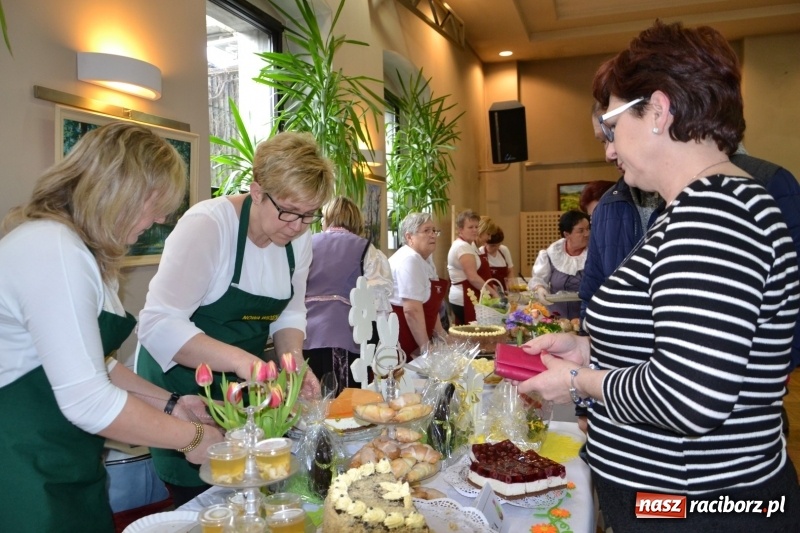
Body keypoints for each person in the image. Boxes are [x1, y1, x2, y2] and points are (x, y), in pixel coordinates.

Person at [519, 21, 800, 531]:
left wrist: (580, 383)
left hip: (695, 504)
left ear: (658, 111)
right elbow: (682, 344)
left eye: (612, 126)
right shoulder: (707, 206)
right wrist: (588, 348)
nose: (607, 150)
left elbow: (688, 396)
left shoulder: (711, 216)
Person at [0, 123, 224, 532]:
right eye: (156, 204)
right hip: (19, 466)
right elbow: (88, 401)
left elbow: (97, 366)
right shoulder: (52, 249)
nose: (159, 219)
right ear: (120, 189)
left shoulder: (78, 252)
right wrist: (191, 438)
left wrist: (172, 404)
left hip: (66, 460)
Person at [136, 131, 334, 504]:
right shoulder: (209, 226)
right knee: (204, 500)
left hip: (244, 390)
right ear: (257, 191)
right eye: (289, 212)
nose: (297, 226)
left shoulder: (299, 237)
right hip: (181, 385)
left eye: (309, 215)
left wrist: (293, 364)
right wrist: (247, 362)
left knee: (254, 495)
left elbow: (290, 309)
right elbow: (158, 324)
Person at [578, 99, 662, 324]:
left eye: (613, 134)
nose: (609, 153)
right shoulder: (607, 207)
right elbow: (591, 294)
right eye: (603, 141)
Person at [302, 195, 393, 388]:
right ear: (357, 221)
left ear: (325, 218)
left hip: (303, 334)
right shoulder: (366, 249)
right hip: (346, 334)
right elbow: (377, 301)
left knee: (310, 396)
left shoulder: (306, 244)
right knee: (343, 400)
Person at [389, 213, 449, 357]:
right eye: (426, 230)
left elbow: (430, 306)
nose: (433, 235)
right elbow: (412, 310)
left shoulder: (425, 259)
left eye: (434, 230)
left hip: (418, 333)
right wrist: (425, 348)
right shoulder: (409, 260)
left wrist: (443, 338)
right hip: (403, 336)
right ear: (409, 237)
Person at [528, 210, 590, 319]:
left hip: (587, 318)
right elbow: (538, 279)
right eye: (581, 230)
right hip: (556, 319)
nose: (587, 234)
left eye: (588, 228)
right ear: (567, 234)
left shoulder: (595, 254)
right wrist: (540, 288)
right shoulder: (551, 254)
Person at [447, 209, 494, 325]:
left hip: (470, 295)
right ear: (460, 229)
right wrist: (493, 293)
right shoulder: (462, 247)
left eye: (476, 227)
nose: (474, 230)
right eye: (470, 227)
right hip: (464, 298)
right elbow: (472, 277)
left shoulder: (470, 244)